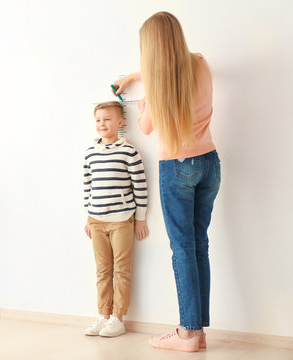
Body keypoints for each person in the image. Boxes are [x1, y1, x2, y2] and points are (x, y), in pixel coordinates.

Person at [113, 11, 221, 352]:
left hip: (177, 167)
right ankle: (197, 331)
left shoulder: (159, 88)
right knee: (199, 245)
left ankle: (188, 333)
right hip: (210, 163)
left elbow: (145, 127)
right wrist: (136, 75)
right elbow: (172, 67)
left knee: (183, 250)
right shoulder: (201, 64)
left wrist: (142, 97)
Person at [83, 101, 149, 338]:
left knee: (121, 269)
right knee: (102, 270)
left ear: (120, 123)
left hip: (122, 219)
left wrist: (140, 218)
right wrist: (89, 217)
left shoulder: (128, 151)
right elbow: (88, 185)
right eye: (98, 120)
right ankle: (103, 315)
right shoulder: (90, 152)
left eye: (107, 119)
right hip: (97, 220)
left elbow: (140, 185)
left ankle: (117, 318)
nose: (102, 124)